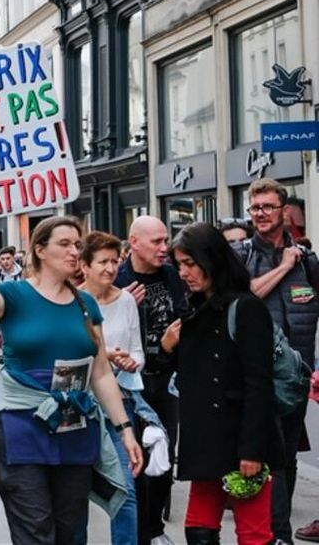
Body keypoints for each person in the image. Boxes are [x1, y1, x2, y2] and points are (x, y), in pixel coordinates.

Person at [0, 213, 142, 545]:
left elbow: (101, 372)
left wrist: (125, 429)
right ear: (39, 250)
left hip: (74, 426)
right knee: (34, 530)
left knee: (71, 529)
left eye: (77, 245)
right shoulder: (13, 295)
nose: (73, 252)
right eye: (64, 244)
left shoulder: (86, 304)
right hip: (21, 426)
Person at [161, 223, 283, 545]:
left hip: (240, 436)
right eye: (179, 265)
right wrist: (166, 347)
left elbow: (259, 384)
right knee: (198, 529)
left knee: (254, 534)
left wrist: (252, 449)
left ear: (212, 259)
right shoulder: (193, 310)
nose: (184, 272)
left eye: (190, 263)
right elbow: (176, 374)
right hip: (204, 440)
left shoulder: (246, 308)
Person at [232, 178, 319, 543]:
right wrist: (283, 266)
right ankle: (277, 534)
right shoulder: (241, 255)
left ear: (285, 211)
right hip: (257, 374)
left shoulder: (309, 261)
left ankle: (275, 530)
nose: (261, 214)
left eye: (268, 207)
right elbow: (244, 298)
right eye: (255, 208)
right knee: (270, 456)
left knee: (287, 455)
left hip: (297, 375)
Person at [116, 215, 187, 545]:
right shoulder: (118, 280)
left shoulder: (173, 274)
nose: (164, 247)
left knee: (162, 456)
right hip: (129, 383)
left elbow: (184, 317)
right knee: (134, 463)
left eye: (165, 239)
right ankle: (138, 533)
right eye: (157, 241)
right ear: (134, 242)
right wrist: (121, 304)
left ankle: (153, 529)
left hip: (165, 380)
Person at [77, 232, 144, 545]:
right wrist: (104, 357)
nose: (110, 268)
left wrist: (131, 361)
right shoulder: (72, 301)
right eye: (102, 261)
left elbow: (138, 351)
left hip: (121, 400)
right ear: (85, 266)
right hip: (80, 404)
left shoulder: (127, 300)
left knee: (126, 489)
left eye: (115, 261)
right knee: (74, 490)